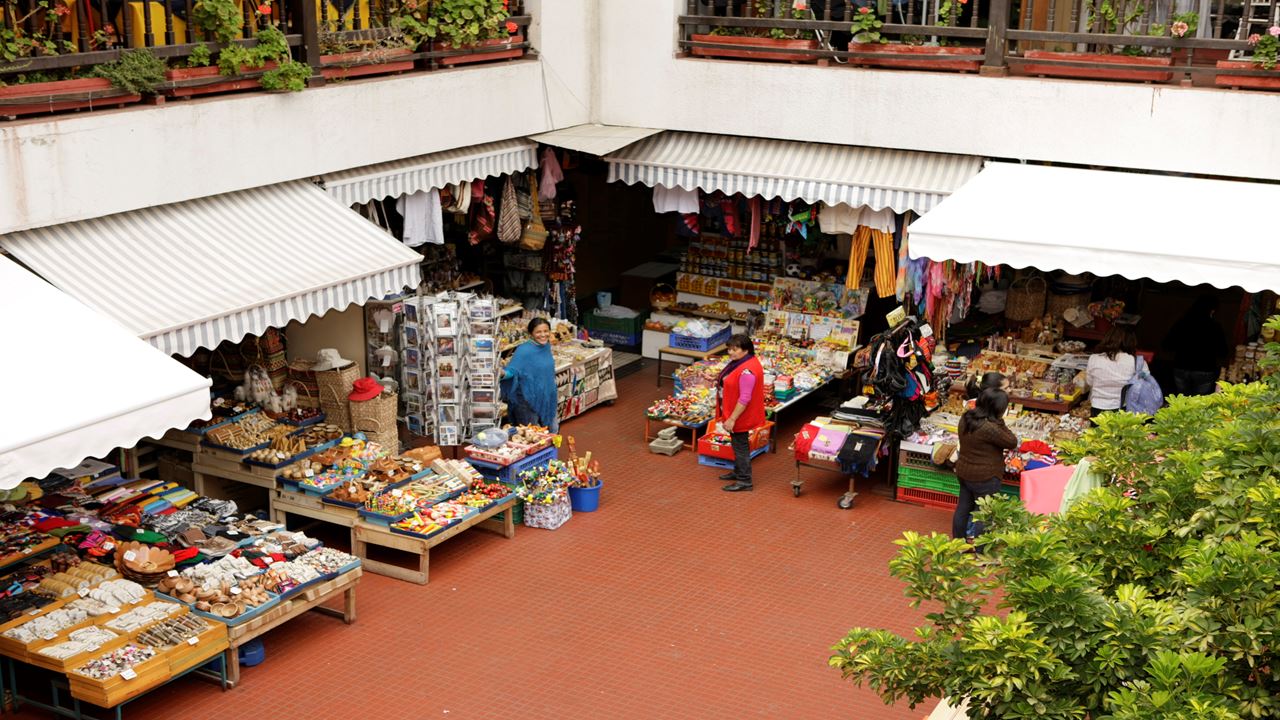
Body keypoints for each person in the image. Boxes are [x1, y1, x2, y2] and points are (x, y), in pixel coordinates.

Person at [952, 388, 1017, 543]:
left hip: (964, 471)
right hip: (985, 476)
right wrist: (999, 420)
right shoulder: (991, 427)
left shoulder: (967, 417)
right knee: (984, 514)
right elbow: (1012, 442)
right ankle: (981, 550)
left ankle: (957, 545)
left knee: (963, 508)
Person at [716, 334, 767, 493]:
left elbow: (745, 398)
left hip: (741, 415)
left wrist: (732, 419)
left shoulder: (747, 371)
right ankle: (738, 471)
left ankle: (745, 480)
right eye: (729, 349)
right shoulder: (744, 362)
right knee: (738, 443)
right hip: (737, 413)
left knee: (741, 447)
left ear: (746, 349)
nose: (731, 352)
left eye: (735, 349)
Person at [501, 318, 559, 432]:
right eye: (538, 332)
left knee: (553, 430)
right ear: (531, 333)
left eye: (546, 331)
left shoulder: (546, 346)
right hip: (528, 400)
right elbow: (513, 371)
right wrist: (502, 373)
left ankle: (552, 450)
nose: (543, 335)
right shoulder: (524, 350)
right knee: (533, 434)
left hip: (547, 396)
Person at [1163, 295, 1228, 396]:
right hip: (1205, 369)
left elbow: (1167, 345)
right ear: (1212, 310)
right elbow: (1223, 352)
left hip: (1181, 366)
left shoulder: (1182, 323)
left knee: (1182, 400)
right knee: (1199, 404)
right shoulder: (1215, 327)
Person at [1086, 326, 1138, 417]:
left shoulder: (1094, 358)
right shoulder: (1132, 360)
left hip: (1097, 407)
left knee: (1097, 431)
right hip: (1121, 408)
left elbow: (1089, 382)